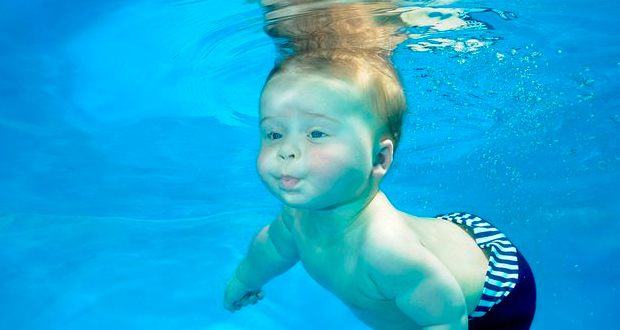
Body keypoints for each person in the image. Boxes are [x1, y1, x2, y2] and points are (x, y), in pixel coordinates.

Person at [223, 3, 536, 330]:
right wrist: (244, 280)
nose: (287, 150)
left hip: (496, 293)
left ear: (379, 159)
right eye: (274, 133)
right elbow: (273, 247)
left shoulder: (386, 251)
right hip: (444, 242)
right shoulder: (298, 218)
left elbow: (446, 319)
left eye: (316, 133)